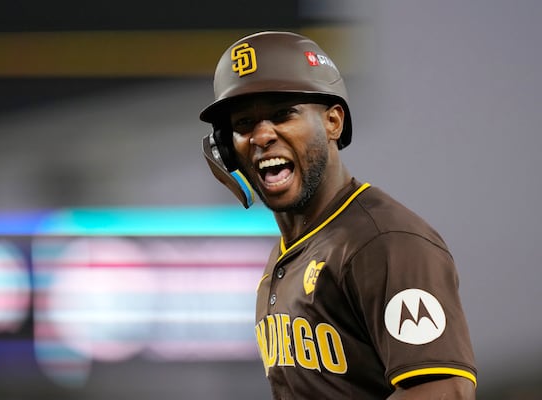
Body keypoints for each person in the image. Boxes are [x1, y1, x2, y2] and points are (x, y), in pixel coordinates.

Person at [199, 31, 477, 399]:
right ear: (226, 150)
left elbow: (443, 388)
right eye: (244, 124)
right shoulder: (290, 253)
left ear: (333, 122)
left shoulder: (383, 241)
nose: (262, 135)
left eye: (283, 114)